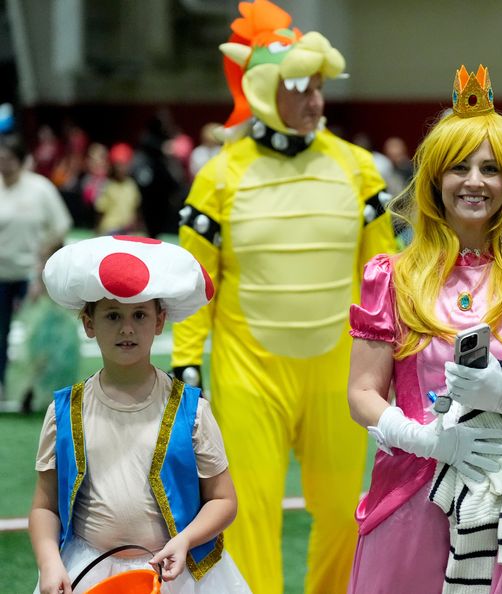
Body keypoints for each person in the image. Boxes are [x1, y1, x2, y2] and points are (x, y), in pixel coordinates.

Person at [170, 2, 398, 593]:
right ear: (268, 89)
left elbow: (383, 275)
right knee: (244, 511)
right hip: (250, 372)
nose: (315, 101)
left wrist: (400, 353)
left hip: (339, 372)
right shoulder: (219, 175)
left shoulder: (358, 168)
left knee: (348, 509)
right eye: (302, 87)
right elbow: (197, 281)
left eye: (320, 88)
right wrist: (187, 362)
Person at [346, 64, 502, 594]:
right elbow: (362, 391)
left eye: (490, 169)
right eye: (458, 168)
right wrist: (426, 439)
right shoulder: (392, 277)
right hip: (413, 492)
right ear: (434, 179)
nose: (474, 182)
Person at [29, 235, 251, 594]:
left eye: (139, 315)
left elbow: (224, 500)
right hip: (88, 568)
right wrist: (49, 561)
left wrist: (187, 539)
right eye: (113, 315)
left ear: (160, 321)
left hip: (178, 572)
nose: (127, 328)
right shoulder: (65, 411)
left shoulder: (191, 411)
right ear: (89, 323)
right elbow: (44, 507)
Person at [0, 135, 72, 403]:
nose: (3, 163)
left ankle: (34, 390)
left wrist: (45, 264)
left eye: (8, 158)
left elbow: (61, 225)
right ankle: (4, 386)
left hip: (33, 276)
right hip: (1, 275)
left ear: (20, 160)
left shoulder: (40, 189)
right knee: (1, 335)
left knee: (37, 335)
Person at [94, 142, 142, 235]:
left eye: (124, 164)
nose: (121, 168)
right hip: (109, 230)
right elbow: (100, 211)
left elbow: (136, 211)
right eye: (118, 164)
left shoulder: (131, 185)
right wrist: (97, 232)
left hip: (128, 231)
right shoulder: (107, 185)